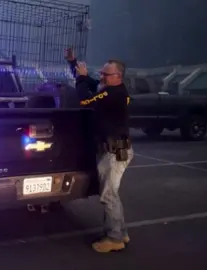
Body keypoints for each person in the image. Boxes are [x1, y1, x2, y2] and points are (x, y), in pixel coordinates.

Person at [66, 49, 133, 253]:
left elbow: (85, 100)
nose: (101, 77)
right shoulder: (115, 90)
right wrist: (74, 65)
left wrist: (81, 80)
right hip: (118, 149)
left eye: (106, 74)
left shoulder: (112, 94)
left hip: (114, 152)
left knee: (109, 195)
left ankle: (114, 238)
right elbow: (94, 84)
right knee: (112, 193)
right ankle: (120, 232)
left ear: (118, 76)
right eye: (102, 73)